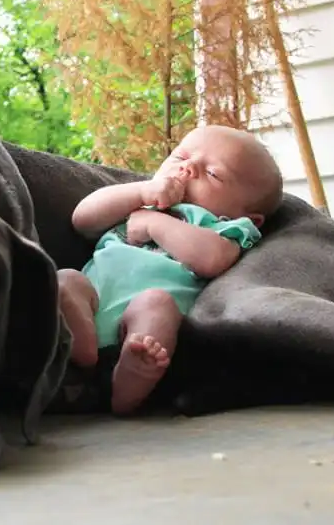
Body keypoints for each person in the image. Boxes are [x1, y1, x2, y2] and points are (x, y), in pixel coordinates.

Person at [58, 124, 284, 415]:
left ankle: (129, 383)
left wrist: (155, 224)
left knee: (156, 303)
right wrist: (142, 192)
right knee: (66, 280)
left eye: (213, 173)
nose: (188, 168)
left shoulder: (222, 226)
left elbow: (213, 259)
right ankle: (81, 345)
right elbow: (82, 219)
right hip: (92, 307)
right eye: (181, 157)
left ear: (247, 216)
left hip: (144, 339)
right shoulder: (139, 200)